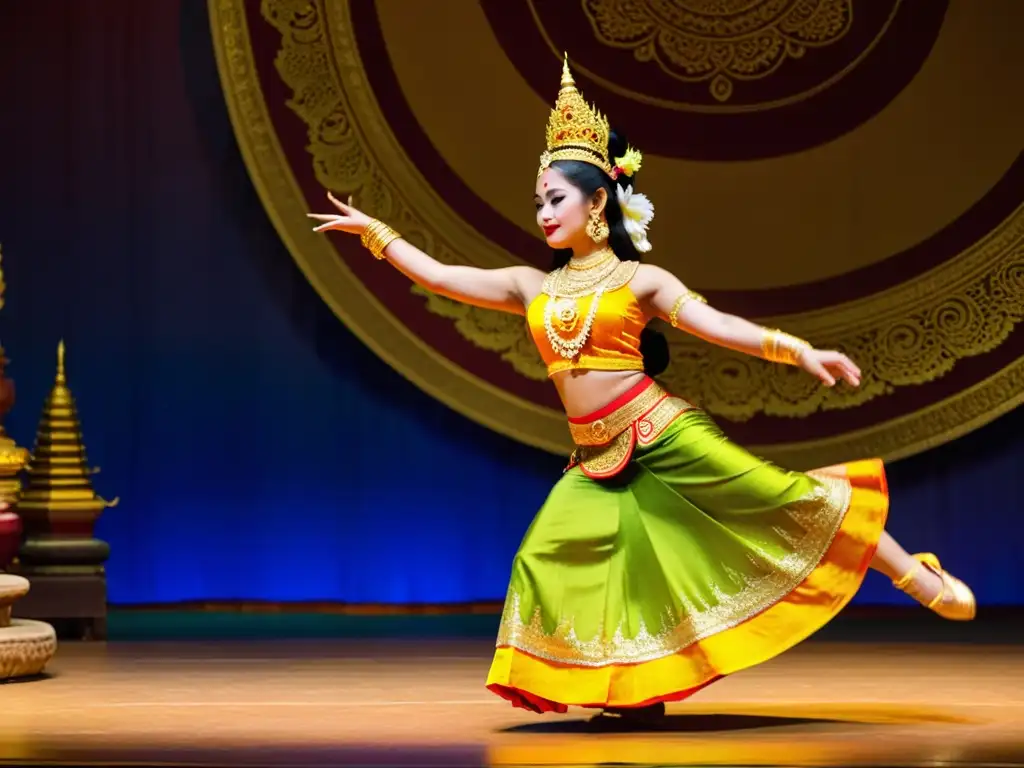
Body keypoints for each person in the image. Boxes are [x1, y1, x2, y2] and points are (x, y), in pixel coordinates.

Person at [307, 56, 975, 719]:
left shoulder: (640, 282)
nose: (543, 211)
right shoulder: (530, 286)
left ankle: (913, 574)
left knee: (779, 499)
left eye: (556, 198)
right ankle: (633, 687)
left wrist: (797, 350)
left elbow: (717, 326)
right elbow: (442, 277)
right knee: (547, 559)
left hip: (663, 436)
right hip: (595, 458)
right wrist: (379, 235)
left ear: (597, 202)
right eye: (539, 200)